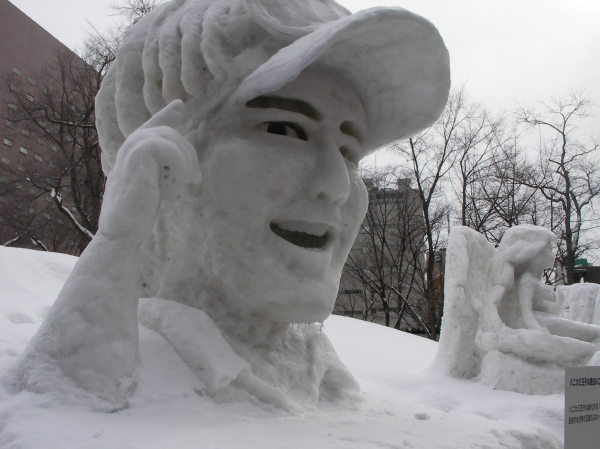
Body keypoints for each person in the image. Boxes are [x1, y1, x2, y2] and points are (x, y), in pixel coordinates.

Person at [5, 0, 450, 411]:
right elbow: (58, 411)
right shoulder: (128, 375)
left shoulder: (330, 380)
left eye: (350, 152)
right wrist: (116, 246)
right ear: (164, 160)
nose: (336, 185)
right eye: (284, 129)